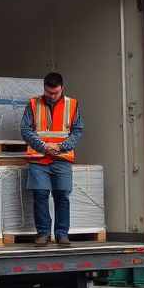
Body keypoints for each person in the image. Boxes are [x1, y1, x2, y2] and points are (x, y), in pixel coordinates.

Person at [20, 72, 84, 247]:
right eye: (49, 92)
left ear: (62, 88)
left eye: (55, 92)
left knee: (62, 195)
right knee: (40, 194)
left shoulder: (72, 104)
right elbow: (25, 130)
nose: (52, 96)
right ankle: (43, 233)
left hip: (62, 158)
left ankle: (62, 234)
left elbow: (77, 131)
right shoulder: (33, 104)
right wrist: (43, 146)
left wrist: (61, 147)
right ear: (44, 89)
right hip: (39, 158)